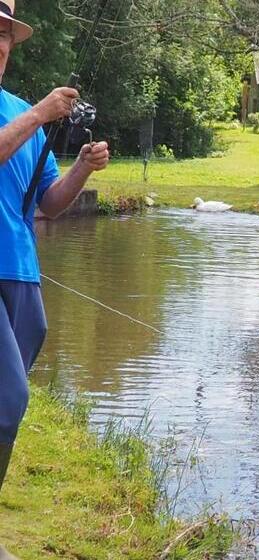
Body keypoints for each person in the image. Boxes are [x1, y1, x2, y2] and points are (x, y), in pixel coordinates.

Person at [0, 2, 110, 557]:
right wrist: (42, 115)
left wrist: (83, 169)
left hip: (22, 274)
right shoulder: (30, 115)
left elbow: (49, 203)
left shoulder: (19, 110)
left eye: (3, 36)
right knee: (8, 395)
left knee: (6, 407)